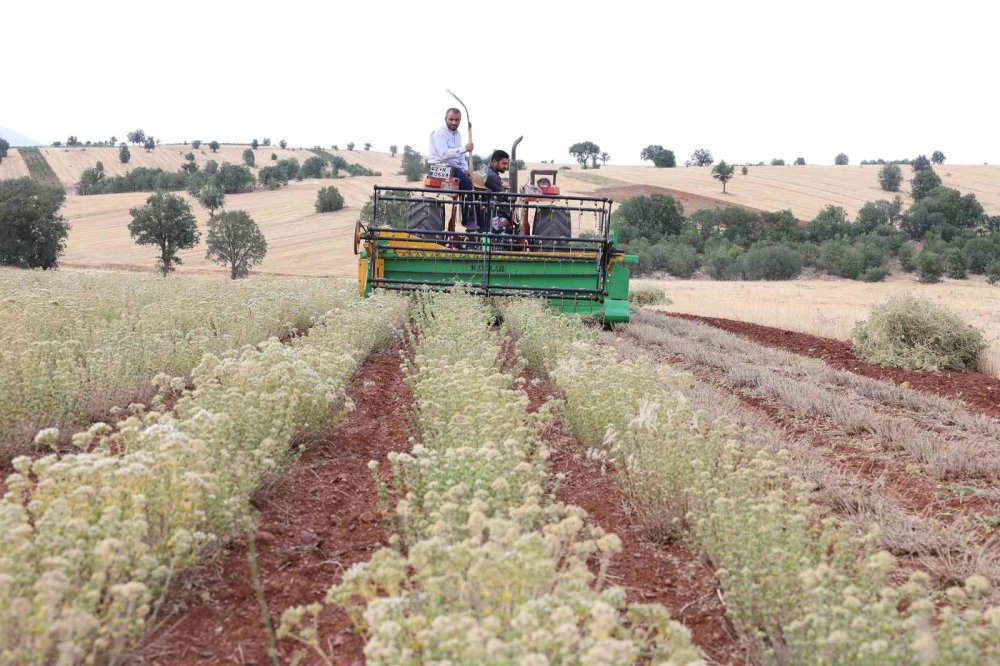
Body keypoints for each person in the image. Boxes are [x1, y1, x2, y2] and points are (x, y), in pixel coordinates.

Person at [429, 108, 477, 231]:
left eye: (457, 120)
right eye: (451, 119)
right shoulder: (440, 133)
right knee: (467, 184)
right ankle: (469, 221)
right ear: (445, 119)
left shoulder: (458, 135)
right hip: (439, 166)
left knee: (473, 181)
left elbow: (460, 157)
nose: (454, 122)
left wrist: (466, 169)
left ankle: (473, 215)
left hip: (454, 167)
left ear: (460, 120)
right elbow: (444, 154)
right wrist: (464, 149)